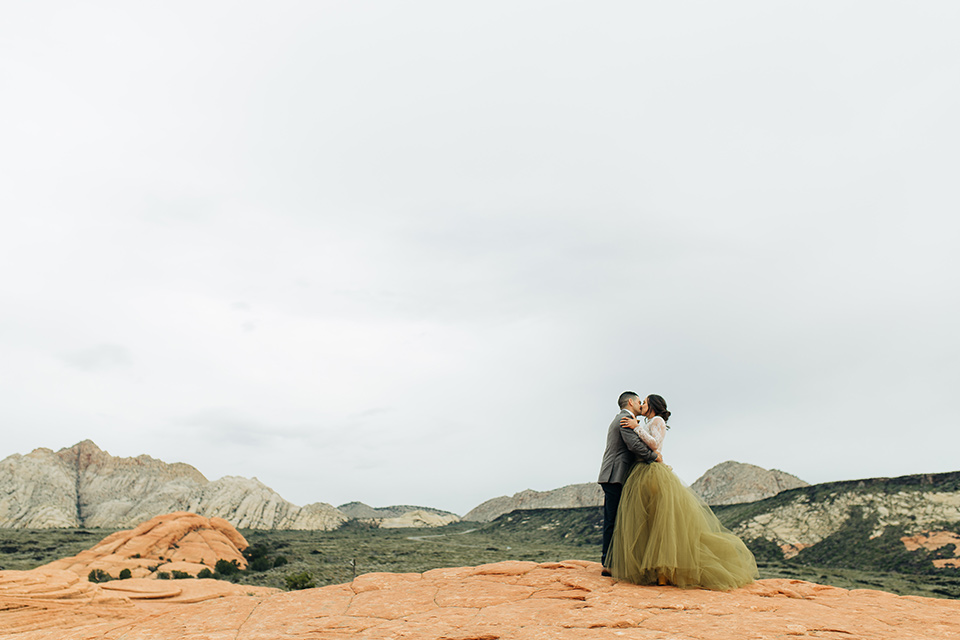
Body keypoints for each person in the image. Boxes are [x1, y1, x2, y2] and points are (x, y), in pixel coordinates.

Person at [609, 394, 759, 590]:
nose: (642, 405)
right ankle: (657, 572)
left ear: (652, 405)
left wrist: (636, 427)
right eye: (641, 402)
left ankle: (664, 573)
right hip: (642, 471)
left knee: (660, 523)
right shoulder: (649, 421)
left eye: (645, 402)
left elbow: (654, 443)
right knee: (650, 523)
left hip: (651, 473)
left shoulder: (657, 420)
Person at [597, 391, 660, 577]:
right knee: (613, 519)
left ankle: (613, 561)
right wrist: (654, 457)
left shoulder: (624, 419)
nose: (641, 405)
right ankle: (608, 563)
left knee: (617, 518)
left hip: (615, 475)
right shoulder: (624, 419)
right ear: (631, 402)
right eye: (640, 402)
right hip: (615, 475)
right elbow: (634, 445)